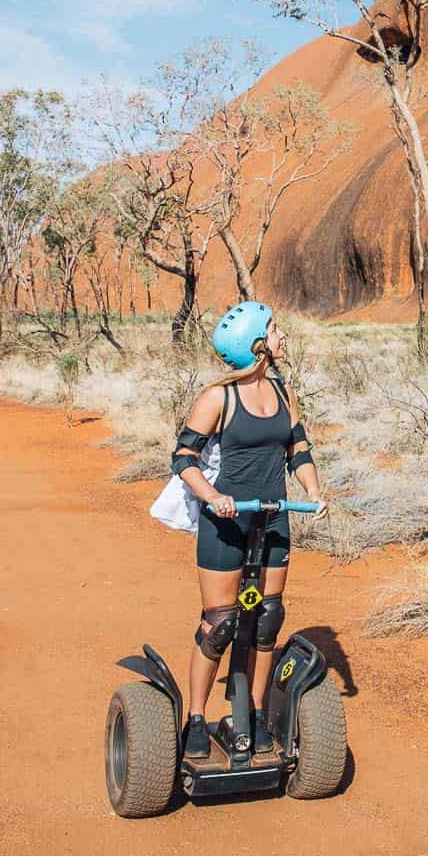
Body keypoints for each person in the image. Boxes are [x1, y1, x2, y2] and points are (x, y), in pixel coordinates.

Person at [170, 301, 325, 760]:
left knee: (266, 621)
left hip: (273, 515)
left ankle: (255, 714)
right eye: (274, 329)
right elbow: (184, 459)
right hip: (227, 523)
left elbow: (298, 447)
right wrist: (211, 496)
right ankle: (196, 718)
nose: (282, 336)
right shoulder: (218, 398)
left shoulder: (283, 391)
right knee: (219, 625)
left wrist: (313, 489)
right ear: (256, 344)